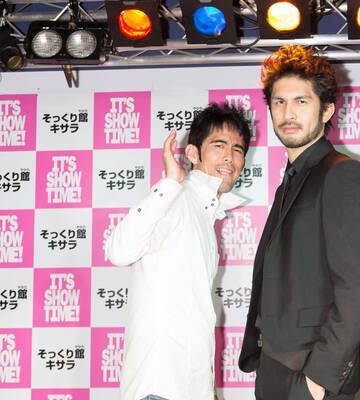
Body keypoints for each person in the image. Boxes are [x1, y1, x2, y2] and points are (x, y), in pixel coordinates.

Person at [238, 45, 360, 400]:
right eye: (279, 102)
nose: (288, 113)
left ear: (327, 109)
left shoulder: (342, 174)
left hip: (312, 374)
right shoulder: (292, 180)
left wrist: (318, 380)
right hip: (275, 366)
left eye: (301, 101)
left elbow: (359, 287)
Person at [106, 104, 251, 400]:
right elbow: (119, 251)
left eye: (237, 149)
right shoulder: (176, 198)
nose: (229, 156)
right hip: (159, 388)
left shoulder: (205, 214)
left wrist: (206, 390)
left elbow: (194, 315)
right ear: (193, 153)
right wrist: (170, 182)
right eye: (219, 145)